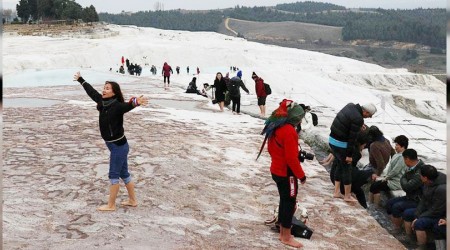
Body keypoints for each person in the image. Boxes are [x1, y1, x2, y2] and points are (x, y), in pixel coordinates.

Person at [73, 71, 148, 211]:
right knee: (124, 174)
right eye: (104, 87)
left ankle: (111, 205)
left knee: (114, 175)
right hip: (115, 146)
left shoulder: (118, 106)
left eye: (107, 88)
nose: (104, 90)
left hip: (119, 146)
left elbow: (129, 105)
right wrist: (81, 80)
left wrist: (137, 102)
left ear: (114, 93)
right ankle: (132, 201)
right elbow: (91, 92)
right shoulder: (102, 102)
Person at [264, 99, 306, 248]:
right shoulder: (289, 131)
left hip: (276, 169)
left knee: (284, 200)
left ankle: (283, 232)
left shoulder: (275, 126)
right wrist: (301, 175)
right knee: (289, 202)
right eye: (301, 117)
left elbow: (272, 149)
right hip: (287, 173)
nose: (301, 120)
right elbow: (291, 159)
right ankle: (286, 237)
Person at [329, 103, 377, 202]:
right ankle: (347, 195)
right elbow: (352, 139)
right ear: (365, 112)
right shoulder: (358, 119)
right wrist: (349, 155)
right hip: (341, 144)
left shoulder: (350, 106)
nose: (368, 117)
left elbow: (346, 123)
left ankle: (337, 192)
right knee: (346, 168)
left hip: (332, 140)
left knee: (338, 164)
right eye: (369, 115)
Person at [385, 148, 424, 235]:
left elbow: (407, 187)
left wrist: (403, 178)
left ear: (407, 159)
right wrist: (404, 178)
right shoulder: (411, 167)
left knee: (396, 206)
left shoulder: (420, 170)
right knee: (389, 203)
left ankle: (397, 230)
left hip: (418, 200)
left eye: (403, 159)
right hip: (410, 197)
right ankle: (395, 225)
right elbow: (405, 179)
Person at [330, 132, 372, 208]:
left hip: (334, 179)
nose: (364, 146)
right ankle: (365, 207)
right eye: (364, 145)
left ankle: (364, 206)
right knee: (368, 174)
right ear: (361, 143)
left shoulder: (345, 147)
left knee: (359, 190)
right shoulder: (356, 153)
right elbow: (348, 169)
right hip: (342, 183)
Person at [409, 165, 446, 249]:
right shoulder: (428, 182)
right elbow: (423, 200)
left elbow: (436, 210)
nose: (419, 177)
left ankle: (422, 247)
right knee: (409, 214)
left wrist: (419, 218)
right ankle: (410, 239)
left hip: (439, 214)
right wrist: (417, 215)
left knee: (420, 223)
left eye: (420, 176)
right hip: (430, 209)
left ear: (425, 177)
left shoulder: (442, 188)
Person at [369, 135, 408, 207]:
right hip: (391, 179)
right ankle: (371, 204)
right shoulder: (397, 155)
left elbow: (395, 171)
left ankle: (374, 207)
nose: (395, 147)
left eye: (397, 145)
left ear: (403, 146)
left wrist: (386, 178)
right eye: (395, 144)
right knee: (374, 185)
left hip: (396, 182)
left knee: (375, 186)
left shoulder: (402, 157)